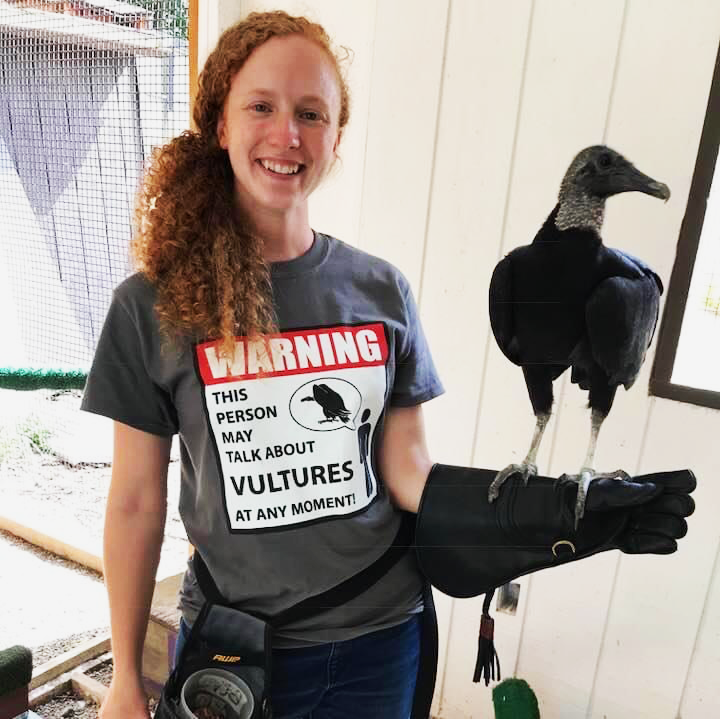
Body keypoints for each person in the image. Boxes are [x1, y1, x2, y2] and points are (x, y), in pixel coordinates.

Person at [81, 10, 443, 719]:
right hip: (236, 648)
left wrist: (521, 519)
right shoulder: (151, 305)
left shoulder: (381, 290)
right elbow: (135, 501)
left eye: (312, 113)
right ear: (221, 125)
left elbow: (408, 468)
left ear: (337, 138)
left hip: (382, 636)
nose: (289, 135)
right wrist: (125, 673)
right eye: (262, 107)